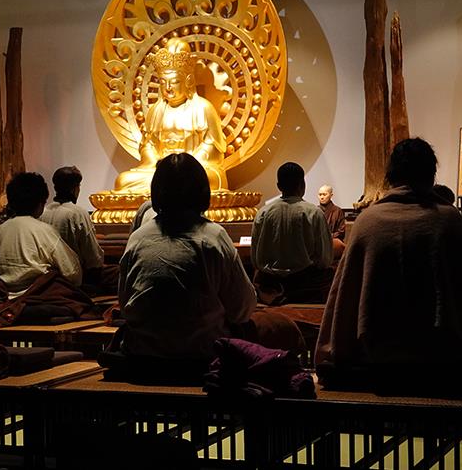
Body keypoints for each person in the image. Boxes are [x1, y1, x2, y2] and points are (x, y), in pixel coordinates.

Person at [316, 138, 462, 399]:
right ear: (431, 175)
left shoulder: (367, 222)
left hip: (377, 363)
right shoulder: (446, 219)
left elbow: (343, 302)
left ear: (390, 176)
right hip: (441, 363)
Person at [110, 153, 305, 383]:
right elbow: (242, 309)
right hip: (203, 356)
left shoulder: (138, 237)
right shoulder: (213, 236)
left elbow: (125, 303)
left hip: (144, 358)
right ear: (202, 191)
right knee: (277, 326)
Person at [114, 37, 229, 192]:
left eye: (174, 82)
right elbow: (148, 146)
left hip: (194, 171)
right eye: (163, 82)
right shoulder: (155, 111)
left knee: (207, 179)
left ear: (188, 80)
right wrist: (156, 163)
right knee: (123, 181)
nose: (168, 87)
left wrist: (188, 166)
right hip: (160, 171)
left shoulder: (203, 108)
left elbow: (213, 148)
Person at [0, 172, 91, 326]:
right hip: (41, 296)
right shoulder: (43, 230)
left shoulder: (0, 231)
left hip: (6, 295)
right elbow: (72, 272)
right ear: (40, 203)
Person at [251, 162, 333, 304]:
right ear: (303, 185)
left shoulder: (263, 212)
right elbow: (324, 259)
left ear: (279, 186)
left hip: (270, 283)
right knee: (331, 273)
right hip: (305, 283)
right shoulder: (314, 213)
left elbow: (255, 258)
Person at [40, 166, 116, 294]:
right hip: (76, 275)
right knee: (118, 273)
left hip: (48, 275)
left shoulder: (43, 212)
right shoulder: (77, 213)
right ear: (75, 189)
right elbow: (93, 258)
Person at [318, 184, 347, 260]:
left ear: (331, 195)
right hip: (318, 245)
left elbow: (341, 232)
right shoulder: (315, 211)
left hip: (334, 244)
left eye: (324, 194)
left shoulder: (338, 211)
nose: (322, 197)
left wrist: (327, 237)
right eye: (320, 194)